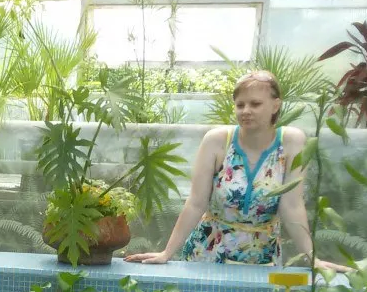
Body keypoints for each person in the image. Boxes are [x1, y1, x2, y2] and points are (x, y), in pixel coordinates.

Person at [125, 70, 349, 271]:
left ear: (275, 105)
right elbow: (196, 202)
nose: (246, 111)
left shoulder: (292, 142)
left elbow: (291, 205)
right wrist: (167, 253)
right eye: (240, 105)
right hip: (209, 253)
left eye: (255, 104)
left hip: (264, 257)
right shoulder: (217, 141)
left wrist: (312, 258)